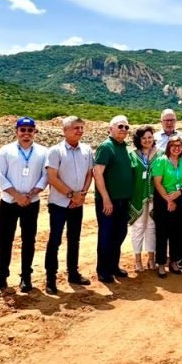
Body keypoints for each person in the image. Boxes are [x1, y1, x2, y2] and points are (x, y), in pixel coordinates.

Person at [0, 117, 48, 293]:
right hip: (9, 202)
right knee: (5, 240)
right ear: (16, 131)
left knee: (29, 240)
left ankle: (26, 277)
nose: (26, 133)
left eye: (30, 130)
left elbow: (45, 176)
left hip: (31, 202)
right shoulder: (6, 151)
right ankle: (1, 276)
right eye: (23, 130)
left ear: (35, 132)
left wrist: (31, 195)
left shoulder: (43, 152)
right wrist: (17, 196)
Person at [44, 116, 93, 294]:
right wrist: (72, 195)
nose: (79, 131)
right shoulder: (55, 151)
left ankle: (73, 273)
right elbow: (52, 178)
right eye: (75, 128)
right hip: (59, 204)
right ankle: (50, 278)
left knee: (74, 240)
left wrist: (82, 195)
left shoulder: (87, 150)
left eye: (81, 128)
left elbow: (89, 174)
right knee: (55, 240)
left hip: (77, 204)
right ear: (65, 131)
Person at [93, 115, 133, 284]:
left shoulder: (124, 147)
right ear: (111, 128)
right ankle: (103, 270)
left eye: (126, 127)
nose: (123, 129)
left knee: (120, 233)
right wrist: (106, 199)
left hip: (123, 200)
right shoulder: (106, 147)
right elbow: (97, 173)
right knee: (106, 235)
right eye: (120, 126)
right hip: (109, 201)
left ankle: (113, 265)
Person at [152, 134, 182, 276]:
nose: (176, 148)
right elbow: (157, 183)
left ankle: (174, 261)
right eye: (173, 145)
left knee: (177, 232)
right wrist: (169, 200)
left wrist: (179, 193)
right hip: (163, 200)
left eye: (179, 146)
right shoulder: (160, 161)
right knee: (162, 233)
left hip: (180, 199)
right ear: (168, 147)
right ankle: (161, 263)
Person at [128, 126, 159, 273]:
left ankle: (151, 259)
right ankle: (137, 260)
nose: (147, 140)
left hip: (155, 197)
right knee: (138, 227)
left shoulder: (160, 154)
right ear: (138, 140)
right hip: (137, 197)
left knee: (152, 227)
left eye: (149, 137)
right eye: (144, 138)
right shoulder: (132, 155)